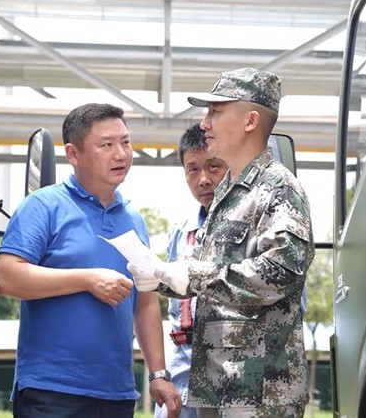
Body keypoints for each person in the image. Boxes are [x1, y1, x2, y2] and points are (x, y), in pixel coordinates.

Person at [129, 68, 315, 418]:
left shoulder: (279, 188)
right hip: (216, 388)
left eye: (215, 112)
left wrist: (192, 276)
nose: (205, 124)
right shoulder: (227, 194)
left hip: (261, 392)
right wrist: (161, 277)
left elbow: (281, 270)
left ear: (250, 121)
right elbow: (206, 274)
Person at [0, 103, 181, 418]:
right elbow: (6, 277)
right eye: (107, 145)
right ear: (73, 154)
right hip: (51, 393)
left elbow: (145, 301)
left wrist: (158, 373)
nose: (121, 154)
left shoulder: (134, 219)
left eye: (125, 142)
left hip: (117, 395)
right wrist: (87, 279)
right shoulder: (42, 206)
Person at [154, 124, 228, 418]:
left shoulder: (254, 226)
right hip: (183, 378)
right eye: (192, 169)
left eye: (213, 166)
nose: (204, 180)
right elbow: (175, 311)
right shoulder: (181, 233)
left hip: (233, 384)